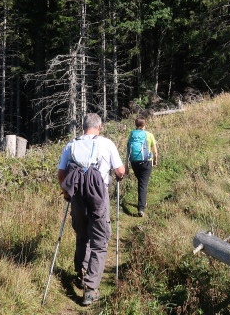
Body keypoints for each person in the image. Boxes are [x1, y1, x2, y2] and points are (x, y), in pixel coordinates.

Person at [57, 113, 125, 306]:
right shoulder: (107, 144)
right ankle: (91, 288)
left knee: (82, 234)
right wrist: (120, 176)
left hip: (77, 195)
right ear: (99, 127)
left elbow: (61, 174)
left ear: (83, 126)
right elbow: (120, 171)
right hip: (98, 196)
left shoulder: (71, 145)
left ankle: (80, 274)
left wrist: (67, 193)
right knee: (99, 240)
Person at [125, 116, 158, 217]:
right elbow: (155, 152)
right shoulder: (149, 135)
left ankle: (143, 202)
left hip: (134, 162)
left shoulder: (132, 134)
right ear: (144, 125)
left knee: (141, 182)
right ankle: (141, 208)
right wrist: (155, 160)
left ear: (135, 125)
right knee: (143, 184)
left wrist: (126, 165)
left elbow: (128, 150)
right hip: (146, 162)